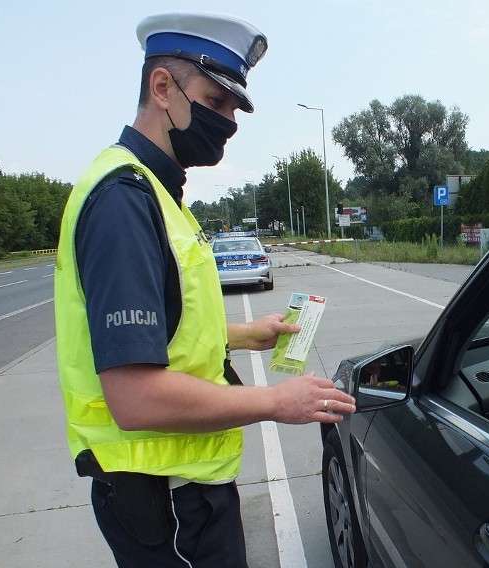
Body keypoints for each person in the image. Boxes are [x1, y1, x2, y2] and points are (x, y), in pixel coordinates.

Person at [53, 12, 356, 567]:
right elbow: (134, 396)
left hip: (182, 489)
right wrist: (274, 401)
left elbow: (166, 328)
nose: (228, 123)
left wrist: (243, 334)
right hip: (164, 498)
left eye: (234, 109)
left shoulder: (158, 195)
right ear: (162, 87)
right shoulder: (125, 201)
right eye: (215, 102)